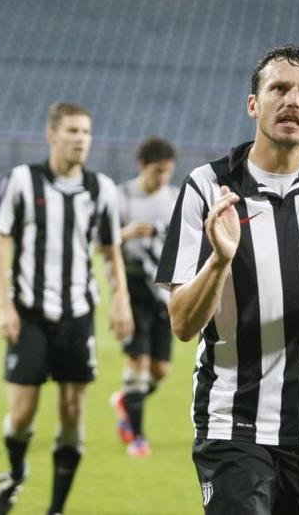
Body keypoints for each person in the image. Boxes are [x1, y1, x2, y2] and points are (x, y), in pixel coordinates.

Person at [155, 45, 299, 514]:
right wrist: (219, 261)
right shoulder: (207, 187)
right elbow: (182, 323)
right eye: (279, 88)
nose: (293, 100)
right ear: (253, 104)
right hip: (233, 418)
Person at [0, 101, 134, 515]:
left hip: (77, 313)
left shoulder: (101, 189)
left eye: (86, 132)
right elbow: (0, 243)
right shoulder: (22, 181)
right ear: (51, 135)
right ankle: (15, 474)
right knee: (21, 414)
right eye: (72, 131)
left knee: (72, 410)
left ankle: (56, 508)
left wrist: (121, 298)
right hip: (30, 312)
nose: (81, 139)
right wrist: (5, 305)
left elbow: (111, 250)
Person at [109, 136, 178, 458]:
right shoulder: (120, 197)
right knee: (138, 362)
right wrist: (122, 235)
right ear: (142, 166)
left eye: (167, 171)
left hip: (162, 290)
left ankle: (126, 400)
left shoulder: (174, 198)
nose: (162, 178)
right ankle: (136, 436)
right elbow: (98, 242)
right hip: (132, 287)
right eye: (156, 171)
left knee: (160, 370)